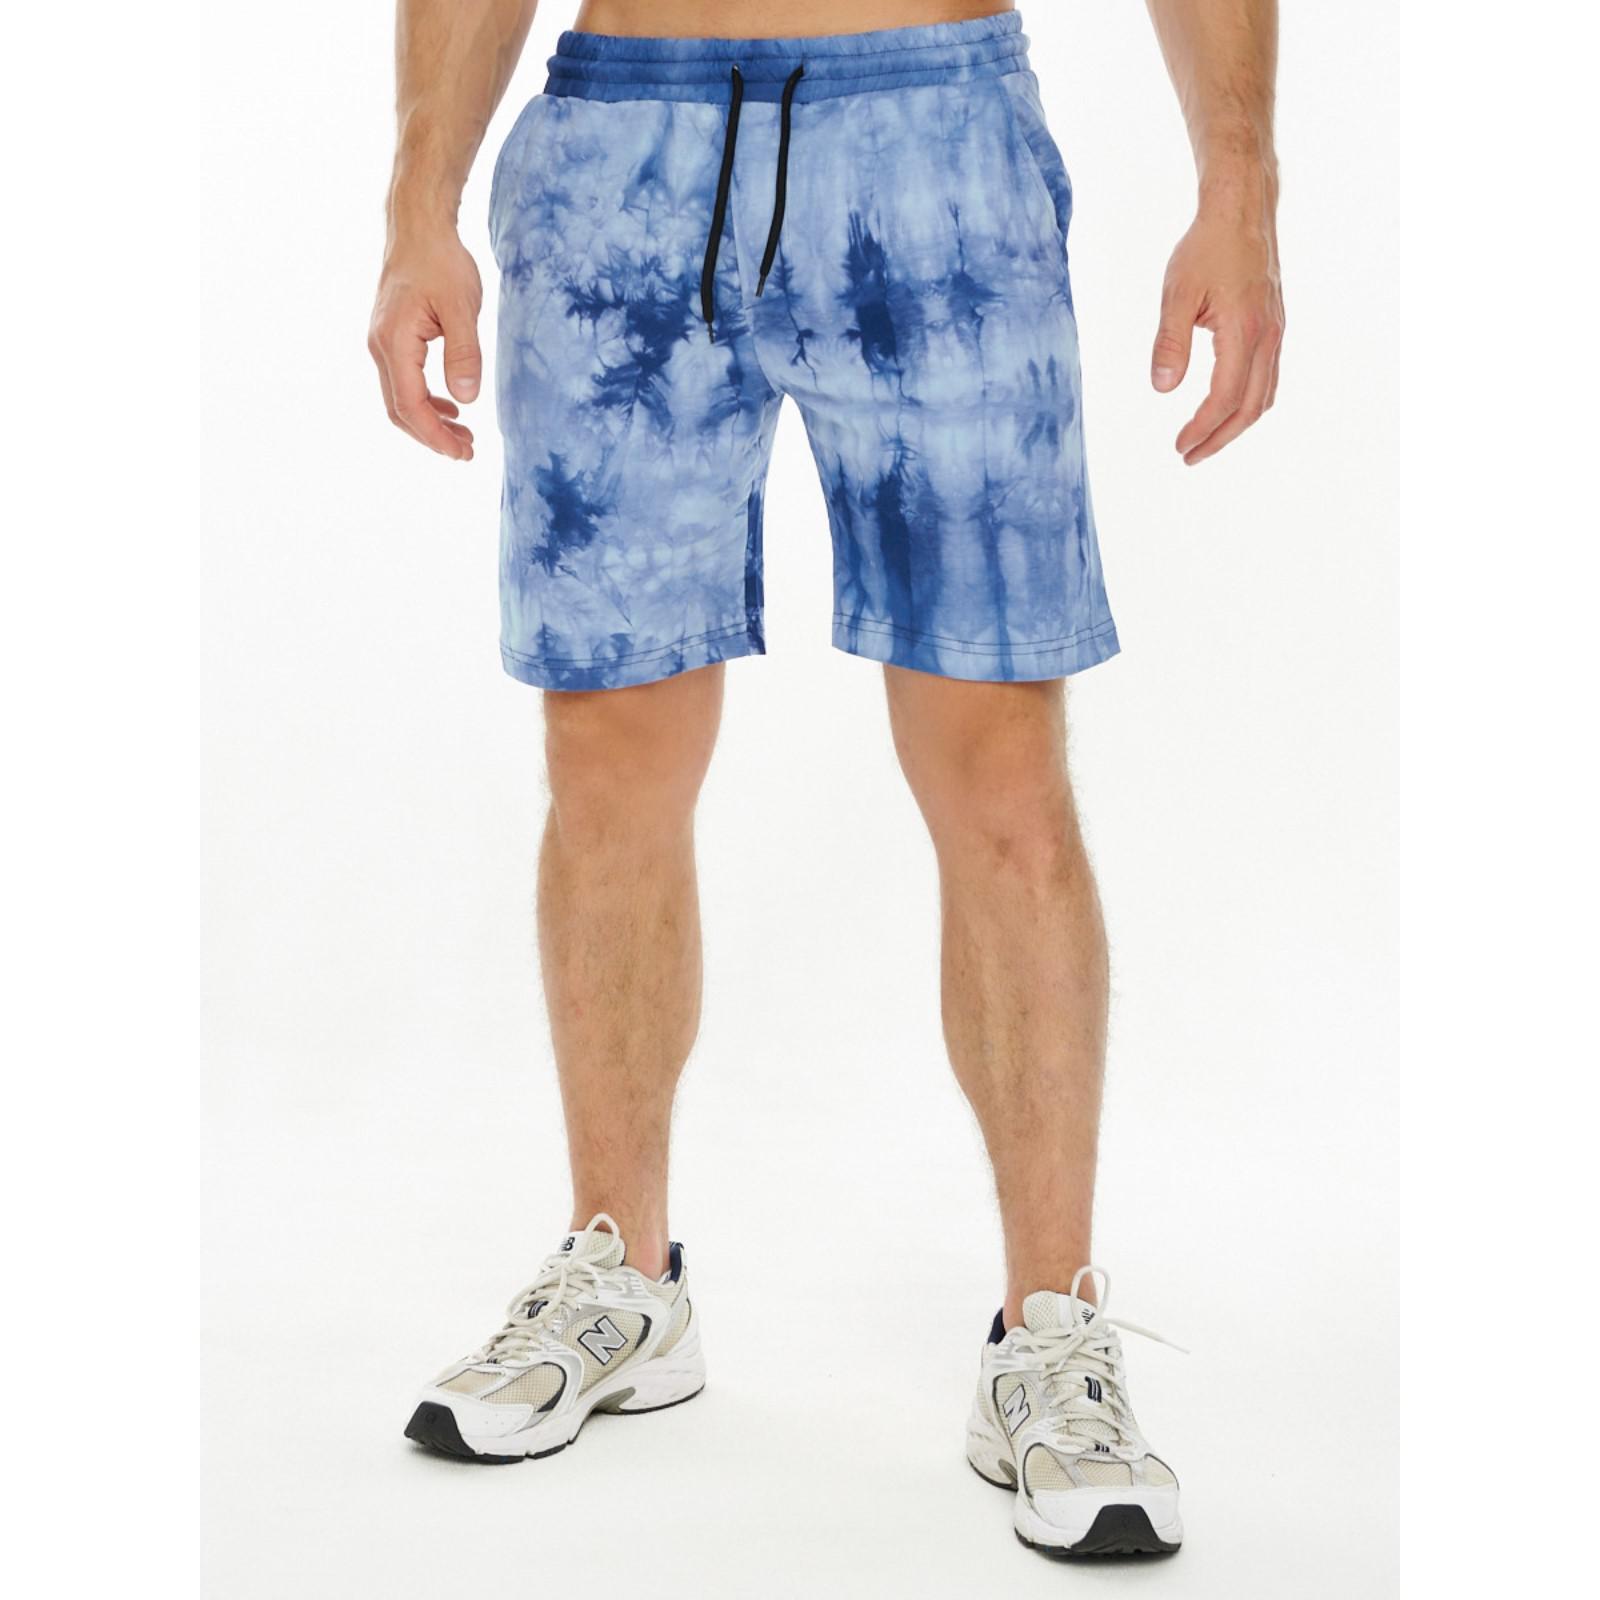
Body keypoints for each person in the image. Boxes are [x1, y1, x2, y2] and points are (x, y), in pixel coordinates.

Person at [370, 0, 1282, 1559]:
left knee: (1000, 765)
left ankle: (1050, 1330)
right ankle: (623, 1277)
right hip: (620, 143)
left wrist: (1240, 179)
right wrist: (418, 204)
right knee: (606, 750)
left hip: (935, 149)